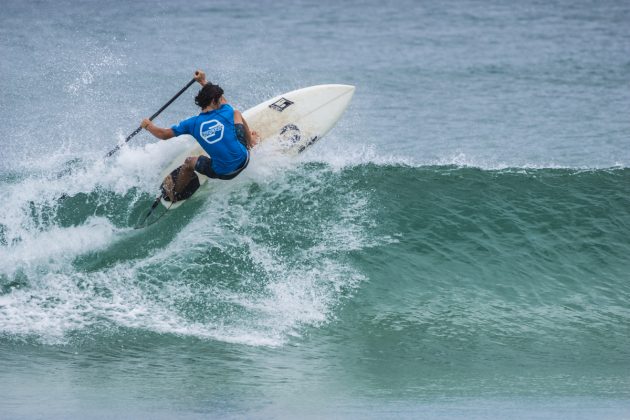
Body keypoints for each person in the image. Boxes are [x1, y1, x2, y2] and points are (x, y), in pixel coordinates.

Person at [141, 70, 258, 202]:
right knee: (237, 113)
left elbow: (163, 134)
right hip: (244, 159)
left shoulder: (192, 124)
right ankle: (251, 142)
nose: (221, 100)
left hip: (223, 173)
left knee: (189, 162)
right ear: (213, 101)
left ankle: (175, 193)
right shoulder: (227, 110)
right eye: (219, 99)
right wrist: (202, 81)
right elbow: (223, 101)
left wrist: (148, 125)